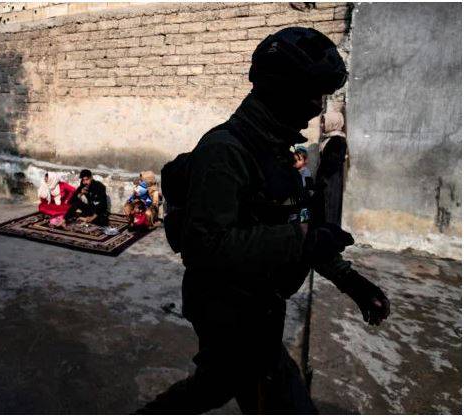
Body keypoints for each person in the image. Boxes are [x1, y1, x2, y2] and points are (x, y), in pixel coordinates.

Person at [137, 27, 390, 414]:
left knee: (212, 386)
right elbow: (206, 245)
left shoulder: (276, 150)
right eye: (312, 95)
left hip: (261, 307)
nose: (316, 107)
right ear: (282, 90)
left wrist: (351, 281)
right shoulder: (225, 152)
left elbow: (300, 225)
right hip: (229, 313)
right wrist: (301, 239)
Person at [315, 110, 348, 226]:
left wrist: (322, 178)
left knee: (329, 212)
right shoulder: (330, 139)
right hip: (327, 183)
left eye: (324, 122)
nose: (321, 125)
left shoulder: (337, 141)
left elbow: (332, 164)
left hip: (330, 183)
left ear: (332, 123)